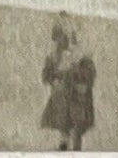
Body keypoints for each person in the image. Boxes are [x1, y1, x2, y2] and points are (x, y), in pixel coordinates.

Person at [40, 15, 96, 150]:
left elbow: (90, 74)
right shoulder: (54, 56)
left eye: (66, 37)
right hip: (62, 100)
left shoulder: (82, 56)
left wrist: (76, 72)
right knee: (64, 131)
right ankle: (64, 148)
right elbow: (46, 76)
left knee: (76, 132)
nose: (63, 41)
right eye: (59, 37)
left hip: (78, 101)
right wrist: (55, 79)